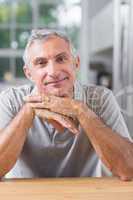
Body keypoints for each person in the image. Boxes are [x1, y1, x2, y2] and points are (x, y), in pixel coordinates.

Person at [0, 29, 133, 181]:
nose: (53, 71)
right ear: (29, 73)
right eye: (41, 63)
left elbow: (129, 169)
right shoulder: (11, 100)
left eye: (61, 59)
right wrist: (27, 111)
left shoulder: (101, 99)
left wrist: (81, 110)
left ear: (76, 63)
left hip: (84, 195)